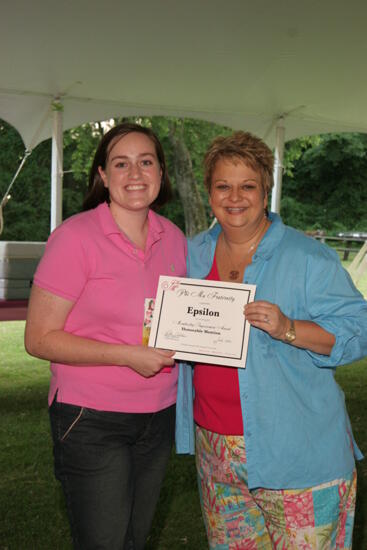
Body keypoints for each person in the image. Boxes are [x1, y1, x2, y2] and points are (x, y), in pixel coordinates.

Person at [176, 130, 367, 549]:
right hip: (216, 452)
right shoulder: (191, 255)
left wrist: (289, 328)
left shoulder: (307, 258)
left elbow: (359, 329)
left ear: (266, 191)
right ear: (209, 192)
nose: (235, 197)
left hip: (299, 453)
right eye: (223, 186)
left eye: (248, 186)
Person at [25, 122, 187, 550]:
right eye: (121, 163)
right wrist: (126, 355)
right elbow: (39, 338)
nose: (135, 174)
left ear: (161, 172)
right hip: (91, 418)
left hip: (158, 414)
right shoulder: (74, 238)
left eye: (146, 162)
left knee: (133, 539)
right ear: (102, 175)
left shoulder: (173, 240)